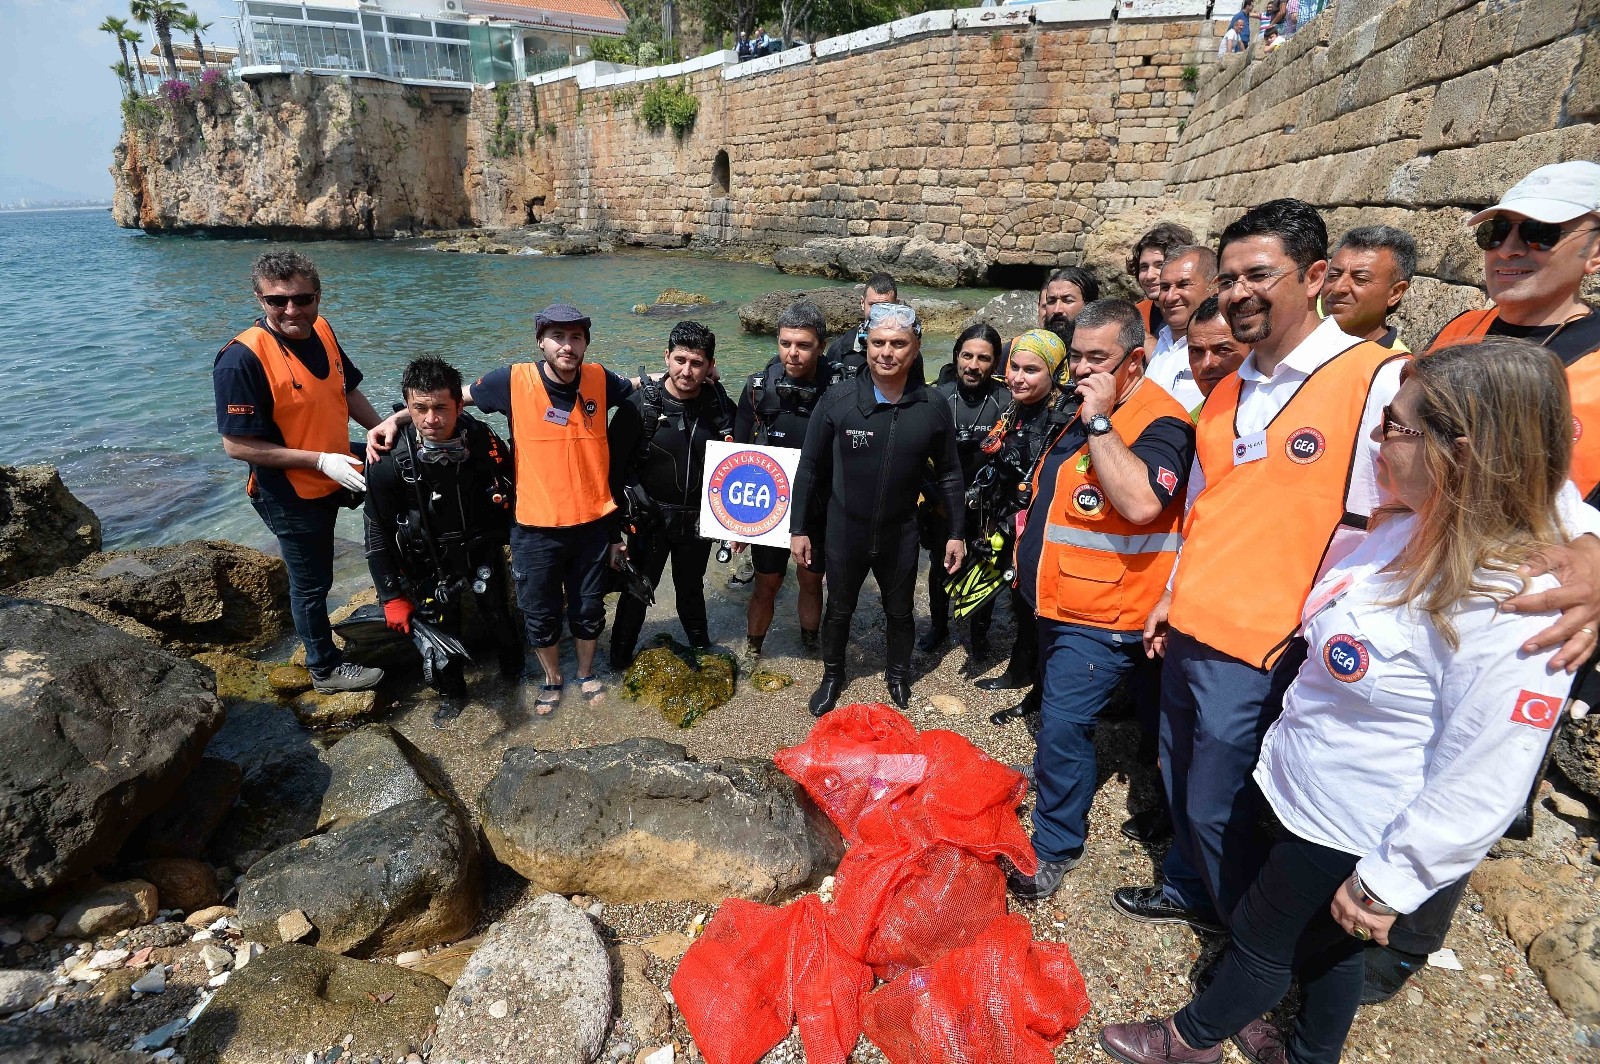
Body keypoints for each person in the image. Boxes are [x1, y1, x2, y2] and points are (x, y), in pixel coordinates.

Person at [1120, 198, 1600, 946]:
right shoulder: (1225, 389)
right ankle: (1199, 896)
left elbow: (1518, 475)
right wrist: (1170, 594)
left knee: (1230, 806)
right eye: (1231, 278)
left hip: (1273, 643)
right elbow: (1207, 511)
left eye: (1260, 276)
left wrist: (1590, 543)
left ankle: (1255, 951)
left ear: (1312, 276)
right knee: (1185, 781)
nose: (1240, 293)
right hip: (1192, 627)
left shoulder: (1376, 376)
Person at [1098, 338, 1578, 1064]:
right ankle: (1309, 1053)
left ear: (1464, 450)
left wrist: (1392, 880)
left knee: (1262, 938)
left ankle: (1187, 1041)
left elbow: (1487, 773)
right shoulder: (1407, 527)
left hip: (1358, 820)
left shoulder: (1516, 605)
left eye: (1397, 428)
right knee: (1327, 948)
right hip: (1303, 782)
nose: (1377, 442)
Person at [1367, 160, 1600, 1004]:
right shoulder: (1466, 326)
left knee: (1471, 772)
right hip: (1424, 576)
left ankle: (1399, 946)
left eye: (1536, 234)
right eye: (1495, 230)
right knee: (1399, 756)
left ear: (1594, 248)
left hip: (1521, 609)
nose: (1508, 248)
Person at [1006, 301, 1195, 900]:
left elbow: (1142, 503)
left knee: (1062, 728)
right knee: (1098, 722)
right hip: (1061, 601)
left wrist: (1100, 421)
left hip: (1106, 612)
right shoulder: (1085, 408)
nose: (1081, 370)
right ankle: (1151, 810)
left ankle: (1053, 846)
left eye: (1097, 359)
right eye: (1078, 358)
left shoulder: (1159, 421)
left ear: (1134, 361)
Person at [368, 304, 634, 714]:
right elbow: (452, 401)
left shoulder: (600, 379)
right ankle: (552, 678)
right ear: (540, 341)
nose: (567, 345)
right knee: (539, 612)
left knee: (588, 607)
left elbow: (638, 384)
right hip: (534, 526)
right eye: (558, 337)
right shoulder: (511, 381)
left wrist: (694, 375)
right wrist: (396, 419)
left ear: (585, 342)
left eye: (576, 337)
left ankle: (584, 672)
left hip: (592, 522)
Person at [214, 250, 385, 694]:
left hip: (336, 462)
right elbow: (237, 445)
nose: (292, 310)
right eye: (277, 301)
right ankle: (324, 668)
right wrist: (319, 461)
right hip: (288, 487)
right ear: (260, 300)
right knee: (312, 582)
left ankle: (403, 597)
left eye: (303, 299)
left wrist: (381, 430)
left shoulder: (322, 329)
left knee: (406, 472)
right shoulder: (241, 359)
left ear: (318, 296)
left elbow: (346, 390)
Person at [792, 302, 965, 715]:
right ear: (865, 344)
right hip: (844, 529)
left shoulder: (933, 405)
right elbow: (810, 467)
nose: (887, 352)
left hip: (900, 530)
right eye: (879, 342)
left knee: (901, 611)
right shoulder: (838, 400)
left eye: (898, 343)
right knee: (839, 610)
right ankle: (833, 676)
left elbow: (950, 475)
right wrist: (798, 528)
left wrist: (956, 532)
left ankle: (898, 675)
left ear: (916, 346)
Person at [362, 356, 519, 727]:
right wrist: (391, 596)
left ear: (459, 404)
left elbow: (514, 485)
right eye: (420, 408)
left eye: (441, 408)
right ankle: (453, 696)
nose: (431, 419)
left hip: (481, 547)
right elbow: (375, 531)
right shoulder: (388, 459)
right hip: (427, 559)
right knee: (441, 629)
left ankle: (516, 678)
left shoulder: (482, 438)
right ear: (407, 406)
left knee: (499, 614)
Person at [607, 321, 734, 668]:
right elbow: (611, 470)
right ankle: (617, 661)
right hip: (649, 518)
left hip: (698, 519)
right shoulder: (638, 408)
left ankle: (701, 651)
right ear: (666, 357)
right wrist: (612, 531)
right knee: (637, 591)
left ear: (710, 366)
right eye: (680, 360)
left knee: (691, 588)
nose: (686, 370)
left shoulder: (721, 409)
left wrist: (741, 528)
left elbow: (746, 466)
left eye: (697, 363)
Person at [974, 330, 1080, 724]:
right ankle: (1019, 671)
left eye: (1031, 370)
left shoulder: (1068, 416)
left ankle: (1038, 694)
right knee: (1019, 604)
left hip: (1045, 530)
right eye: (1014, 368)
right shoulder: (1016, 408)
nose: (1018, 377)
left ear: (1056, 372)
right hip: (1013, 521)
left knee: (1040, 609)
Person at [734, 300, 841, 666]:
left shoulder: (840, 389)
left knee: (811, 581)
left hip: (818, 507)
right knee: (767, 583)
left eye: (803, 345)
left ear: (821, 346)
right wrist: (735, 522)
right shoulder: (757, 389)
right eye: (784, 343)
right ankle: (752, 650)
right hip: (770, 505)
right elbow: (738, 460)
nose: (792, 354)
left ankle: (809, 644)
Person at [920, 323, 1009, 657]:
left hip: (988, 505)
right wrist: (937, 502)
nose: (973, 365)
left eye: (983, 358)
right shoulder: (935, 397)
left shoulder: (1006, 402)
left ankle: (979, 634)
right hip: (943, 502)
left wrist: (998, 506)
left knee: (985, 565)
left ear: (995, 361)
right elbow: (918, 459)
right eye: (967, 355)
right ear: (956, 356)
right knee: (941, 564)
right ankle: (939, 627)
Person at [1145, 246, 1219, 410]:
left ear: (1215, 286)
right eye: (1164, 287)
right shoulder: (1163, 342)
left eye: (1183, 284)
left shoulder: (1227, 348)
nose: (1170, 297)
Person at [1323, 226, 1416, 351]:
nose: (1337, 288)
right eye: (1333, 275)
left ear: (1395, 293)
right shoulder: (1297, 344)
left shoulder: (1395, 366)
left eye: (1360, 279)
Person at [1128, 222, 1196, 343]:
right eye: (1144, 267)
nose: (1149, 276)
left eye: (1159, 265)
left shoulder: (1195, 312)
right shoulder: (1137, 314)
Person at [825, 272, 899, 374]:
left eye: (885, 306)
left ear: (897, 306)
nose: (877, 312)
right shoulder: (840, 348)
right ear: (862, 303)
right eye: (872, 305)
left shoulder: (905, 352)